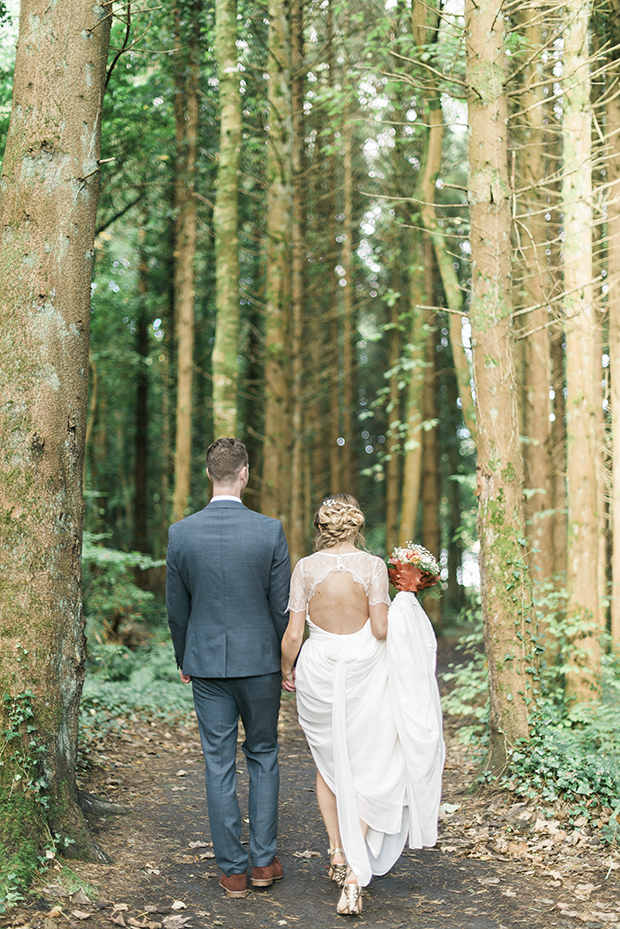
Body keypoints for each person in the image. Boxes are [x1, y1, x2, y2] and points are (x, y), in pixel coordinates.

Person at [280, 494, 444, 916]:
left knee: (328, 763)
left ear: (322, 528)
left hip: (318, 669)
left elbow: (294, 635)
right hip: (362, 670)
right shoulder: (372, 567)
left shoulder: (304, 568)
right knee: (372, 763)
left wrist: (286, 669)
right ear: (356, 526)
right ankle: (355, 867)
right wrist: (407, 598)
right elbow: (379, 628)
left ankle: (338, 850)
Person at [166, 437, 291, 899]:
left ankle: (232, 871)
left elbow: (176, 608)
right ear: (244, 473)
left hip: (207, 667)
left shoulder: (182, 533)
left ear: (208, 474)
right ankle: (263, 862)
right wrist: (287, 661)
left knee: (218, 763)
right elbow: (282, 608)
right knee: (262, 754)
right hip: (260, 663)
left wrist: (185, 657)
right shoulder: (269, 530)